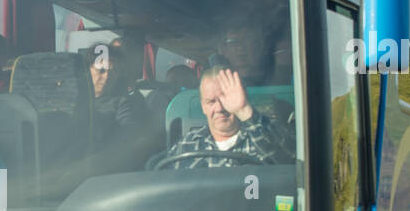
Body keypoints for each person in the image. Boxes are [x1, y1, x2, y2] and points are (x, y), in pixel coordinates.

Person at [154, 66, 294, 169]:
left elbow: (289, 165)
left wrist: (244, 110)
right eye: (211, 102)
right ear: (203, 106)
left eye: (226, 99)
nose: (219, 108)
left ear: (242, 98)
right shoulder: (188, 145)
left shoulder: (266, 134)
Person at [85, 43, 158, 173]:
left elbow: (129, 131)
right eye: (101, 70)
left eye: (113, 72)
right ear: (86, 71)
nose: (107, 77)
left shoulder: (122, 103)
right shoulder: (71, 102)